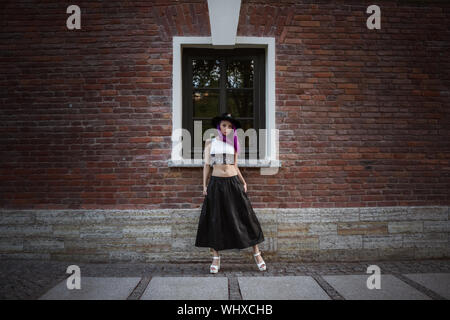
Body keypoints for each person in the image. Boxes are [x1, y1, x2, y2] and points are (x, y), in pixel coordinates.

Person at [194, 112, 266, 273]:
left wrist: (243, 182)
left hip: (233, 183)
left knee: (245, 217)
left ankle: (257, 254)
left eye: (230, 126)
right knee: (215, 219)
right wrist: (204, 185)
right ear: (219, 126)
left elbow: (235, 166)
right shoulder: (210, 142)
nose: (226, 128)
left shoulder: (234, 142)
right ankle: (215, 258)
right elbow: (207, 166)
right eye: (224, 125)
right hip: (216, 184)